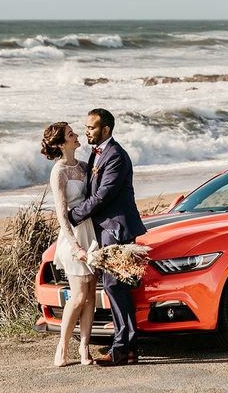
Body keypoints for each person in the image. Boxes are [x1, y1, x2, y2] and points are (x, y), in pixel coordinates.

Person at [67, 108, 147, 366]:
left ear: (106, 130)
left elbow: (103, 196)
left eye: (91, 127)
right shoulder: (96, 153)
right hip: (104, 230)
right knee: (116, 288)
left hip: (117, 229)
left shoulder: (116, 156)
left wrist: (73, 216)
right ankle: (128, 349)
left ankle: (122, 348)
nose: (86, 131)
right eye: (86, 127)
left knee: (115, 286)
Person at [40, 122, 97, 367]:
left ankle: (85, 349)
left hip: (92, 233)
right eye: (71, 134)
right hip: (73, 235)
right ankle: (62, 346)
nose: (76, 136)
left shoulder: (85, 167)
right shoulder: (59, 171)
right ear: (62, 143)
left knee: (91, 293)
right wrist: (75, 247)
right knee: (79, 293)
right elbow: (62, 214)